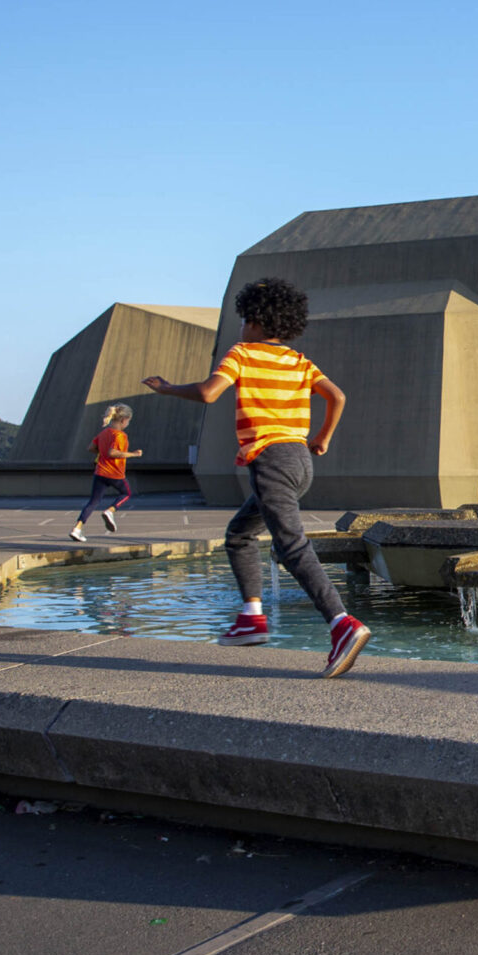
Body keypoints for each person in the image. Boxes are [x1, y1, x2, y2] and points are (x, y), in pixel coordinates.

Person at [143, 277, 371, 678]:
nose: (242, 326)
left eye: (246, 319)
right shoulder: (300, 361)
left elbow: (210, 393)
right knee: (240, 534)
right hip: (300, 460)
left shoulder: (243, 353)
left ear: (258, 321)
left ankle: (342, 623)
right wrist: (322, 438)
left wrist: (167, 388)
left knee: (291, 545)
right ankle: (251, 618)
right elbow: (337, 396)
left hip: (270, 461)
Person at [68, 403, 141, 542]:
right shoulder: (120, 435)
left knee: (93, 502)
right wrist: (133, 454)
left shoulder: (103, 433)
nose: (128, 423)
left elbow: (91, 447)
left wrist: (101, 454)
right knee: (127, 493)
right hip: (115, 473)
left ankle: (77, 529)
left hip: (100, 472)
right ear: (123, 420)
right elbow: (113, 452)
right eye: (128, 421)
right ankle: (111, 510)